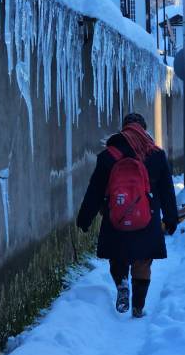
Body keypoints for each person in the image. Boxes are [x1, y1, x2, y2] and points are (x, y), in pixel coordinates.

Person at [77, 113, 179, 319]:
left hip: (116, 218)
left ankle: (122, 284)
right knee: (143, 262)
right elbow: (167, 190)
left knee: (118, 257)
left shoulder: (108, 156)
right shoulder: (156, 155)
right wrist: (170, 218)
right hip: (147, 219)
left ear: (124, 129)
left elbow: (95, 190)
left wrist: (85, 218)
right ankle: (138, 307)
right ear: (144, 129)